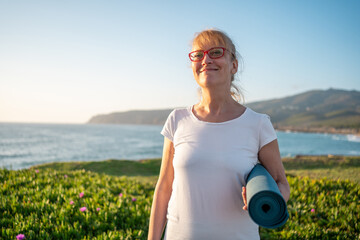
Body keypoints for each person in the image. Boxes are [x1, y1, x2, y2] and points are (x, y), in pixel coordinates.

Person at [148, 29, 290, 240]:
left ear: (234, 65)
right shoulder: (177, 119)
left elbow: (281, 182)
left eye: (215, 52)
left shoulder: (258, 124)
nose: (205, 59)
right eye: (198, 54)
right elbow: (164, 188)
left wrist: (267, 197)